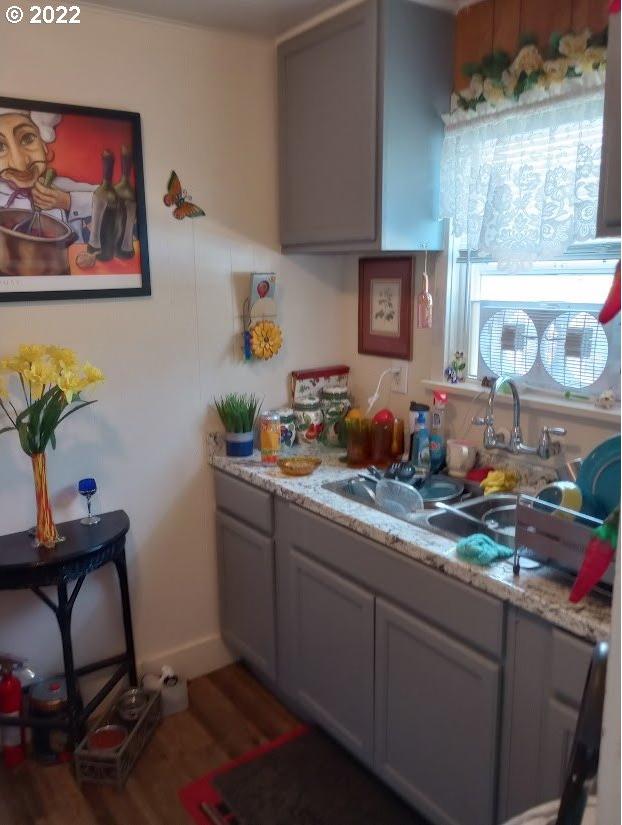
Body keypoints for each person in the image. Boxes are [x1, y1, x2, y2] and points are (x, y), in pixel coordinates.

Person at [0, 109, 95, 241]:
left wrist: (68, 202)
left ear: (44, 145)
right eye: (0, 147)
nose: (20, 163)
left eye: (27, 138)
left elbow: (122, 205)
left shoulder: (63, 188)